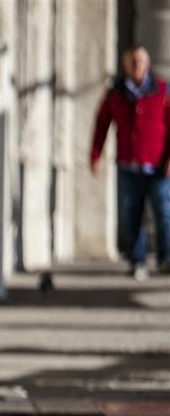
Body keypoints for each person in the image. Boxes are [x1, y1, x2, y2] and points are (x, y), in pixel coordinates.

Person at [91, 44, 170, 281]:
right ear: (126, 65)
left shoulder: (163, 90)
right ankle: (137, 261)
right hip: (127, 164)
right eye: (133, 62)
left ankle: (165, 258)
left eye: (141, 61)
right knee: (130, 214)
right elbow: (101, 123)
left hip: (157, 165)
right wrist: (95, 155)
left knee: (164, 211)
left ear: (147, 65)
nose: (137, 66)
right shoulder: (116, 92)